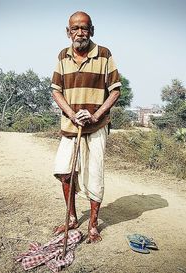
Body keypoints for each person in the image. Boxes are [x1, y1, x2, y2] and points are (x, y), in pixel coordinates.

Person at [51, 11, 121, 243]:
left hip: (96, 126)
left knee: (94, 174)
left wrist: (95, 115)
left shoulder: (104, 54)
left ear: (92, 30)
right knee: (65, 171)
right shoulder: (62, 55)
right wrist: (72, 115)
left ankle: (92, 224)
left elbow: (115, 91)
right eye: (75, 28)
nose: (80, 32)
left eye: (84, 28)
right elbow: (56, 90)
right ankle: (71, 218)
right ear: (68, 32)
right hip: (71, 126)